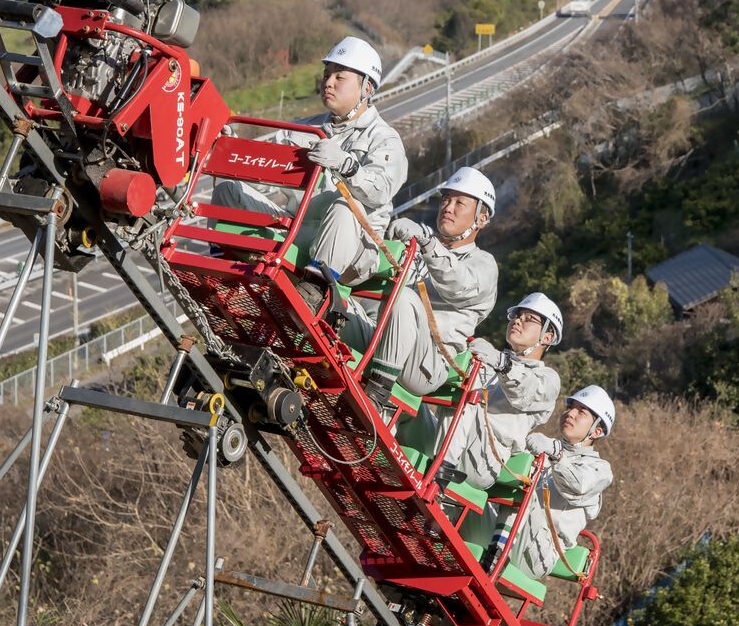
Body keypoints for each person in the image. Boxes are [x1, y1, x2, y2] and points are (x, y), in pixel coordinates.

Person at [211, 36, 407, 284]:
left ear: (366, 88)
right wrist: (235, 151)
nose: (328, 82)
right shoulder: (301, 130)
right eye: (327, 75)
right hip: (298, 229)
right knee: (229, 190)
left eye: (339, 77)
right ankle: (220, 266)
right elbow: (263, 179)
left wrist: (347, 166)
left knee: (345, 207)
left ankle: (314, 289)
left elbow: (381, 192)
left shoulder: (384, 139)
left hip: (354, 247)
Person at [345, 166, 499, 407]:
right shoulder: (419, 247)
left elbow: (458, 284)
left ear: (481, 218)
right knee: (337, 305)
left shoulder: (484, 264)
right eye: (446, 200)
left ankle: (376, 394)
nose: (448, 207)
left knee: (404, 297)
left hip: (425, 364)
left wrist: (427, 245)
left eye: (460, 203)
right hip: (379, 336)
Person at [439, 292, 563, 490]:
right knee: (412, 415)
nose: (518, 321)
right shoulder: (490, 361)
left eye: (529, 319)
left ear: (547, 337)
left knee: (470, 398)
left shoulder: (548, 379)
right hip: (449, 440)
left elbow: (524, 392)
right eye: (516, 316)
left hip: (485, 460)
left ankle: (440, 477)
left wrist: (501, 363)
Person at [506, 386, 616, 579]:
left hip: (537, 554)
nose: (570, 413)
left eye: (581, 412)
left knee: (524, 497)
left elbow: (577, 485)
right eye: (570, 407)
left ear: (597, 431)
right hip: (509, 533)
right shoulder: (545, 446)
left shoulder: (600, 470)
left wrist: (556, 455)